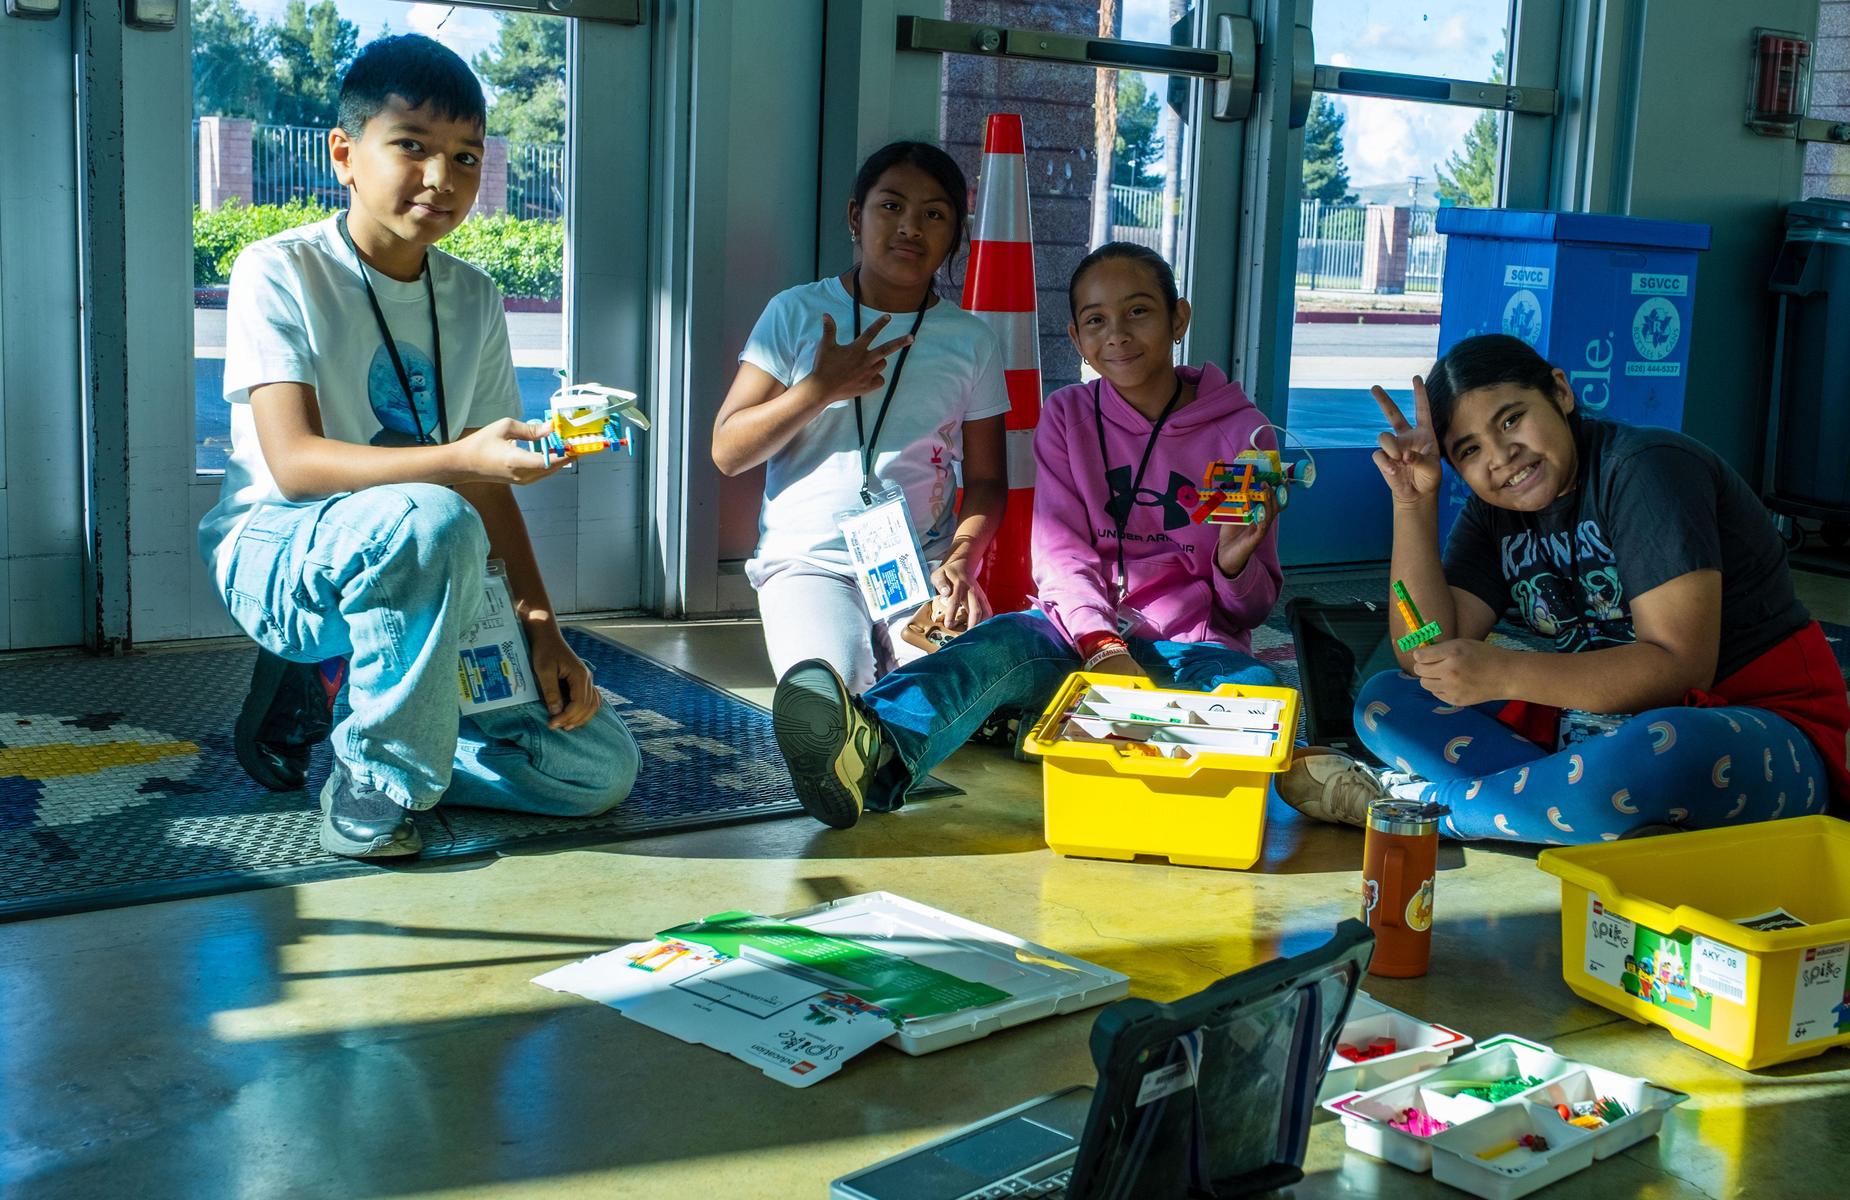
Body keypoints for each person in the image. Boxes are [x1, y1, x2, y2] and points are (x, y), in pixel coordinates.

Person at [200, 35, 638, 859]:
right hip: (282, 548)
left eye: (467, 156)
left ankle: (374, 719)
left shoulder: (473, 296)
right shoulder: (279, 268)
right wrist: (462, 460)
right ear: (344, 155)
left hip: (427, 556)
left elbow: (487, 490)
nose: (443, 179)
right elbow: (294, 464)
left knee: (595, 771)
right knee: (431, 516)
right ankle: (375, 772)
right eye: (413, 146)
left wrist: (543, 629)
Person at [768, 243, 1283, 829]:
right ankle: (873, 750)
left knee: (1260, 690)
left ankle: (1090, 730)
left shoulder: (1245, 433)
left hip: (1188, 648)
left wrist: (1236, 564)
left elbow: (1253, 608)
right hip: (1078, 641)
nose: (1116, 334)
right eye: (1095, 320)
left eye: (1138, 311)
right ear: (1075, 337)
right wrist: (1102, 646)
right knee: (998, 643)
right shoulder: (1066, 415)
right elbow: (1061, 558)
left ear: (1178, 318)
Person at [1279, 333, 1850, 843]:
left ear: (1560, 391)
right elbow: (1421, 650)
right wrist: (1413, 502)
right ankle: (1584, 807)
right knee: (1386, 701)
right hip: (1597, 734)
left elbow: (1681, 672)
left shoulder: (1648, 469)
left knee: (1669, 749)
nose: (1503, 458)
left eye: (1511, 420)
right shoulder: (1491, 515)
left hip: (1751, 731)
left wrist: (1502, 672)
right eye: (1469, 450)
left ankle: (1414, 807)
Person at [712, 141, 1011, 694]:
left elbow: (990, 481)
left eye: (934, 214)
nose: (911, 227)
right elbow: (728, 451)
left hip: (919, 567)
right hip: (808, 563)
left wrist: (963, 560)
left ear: (954, 236)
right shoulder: (797, 312)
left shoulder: (972, 340)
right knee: (834, 686)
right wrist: (819, 389)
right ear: (856, 216)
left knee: (935, 692)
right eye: (891, 206)